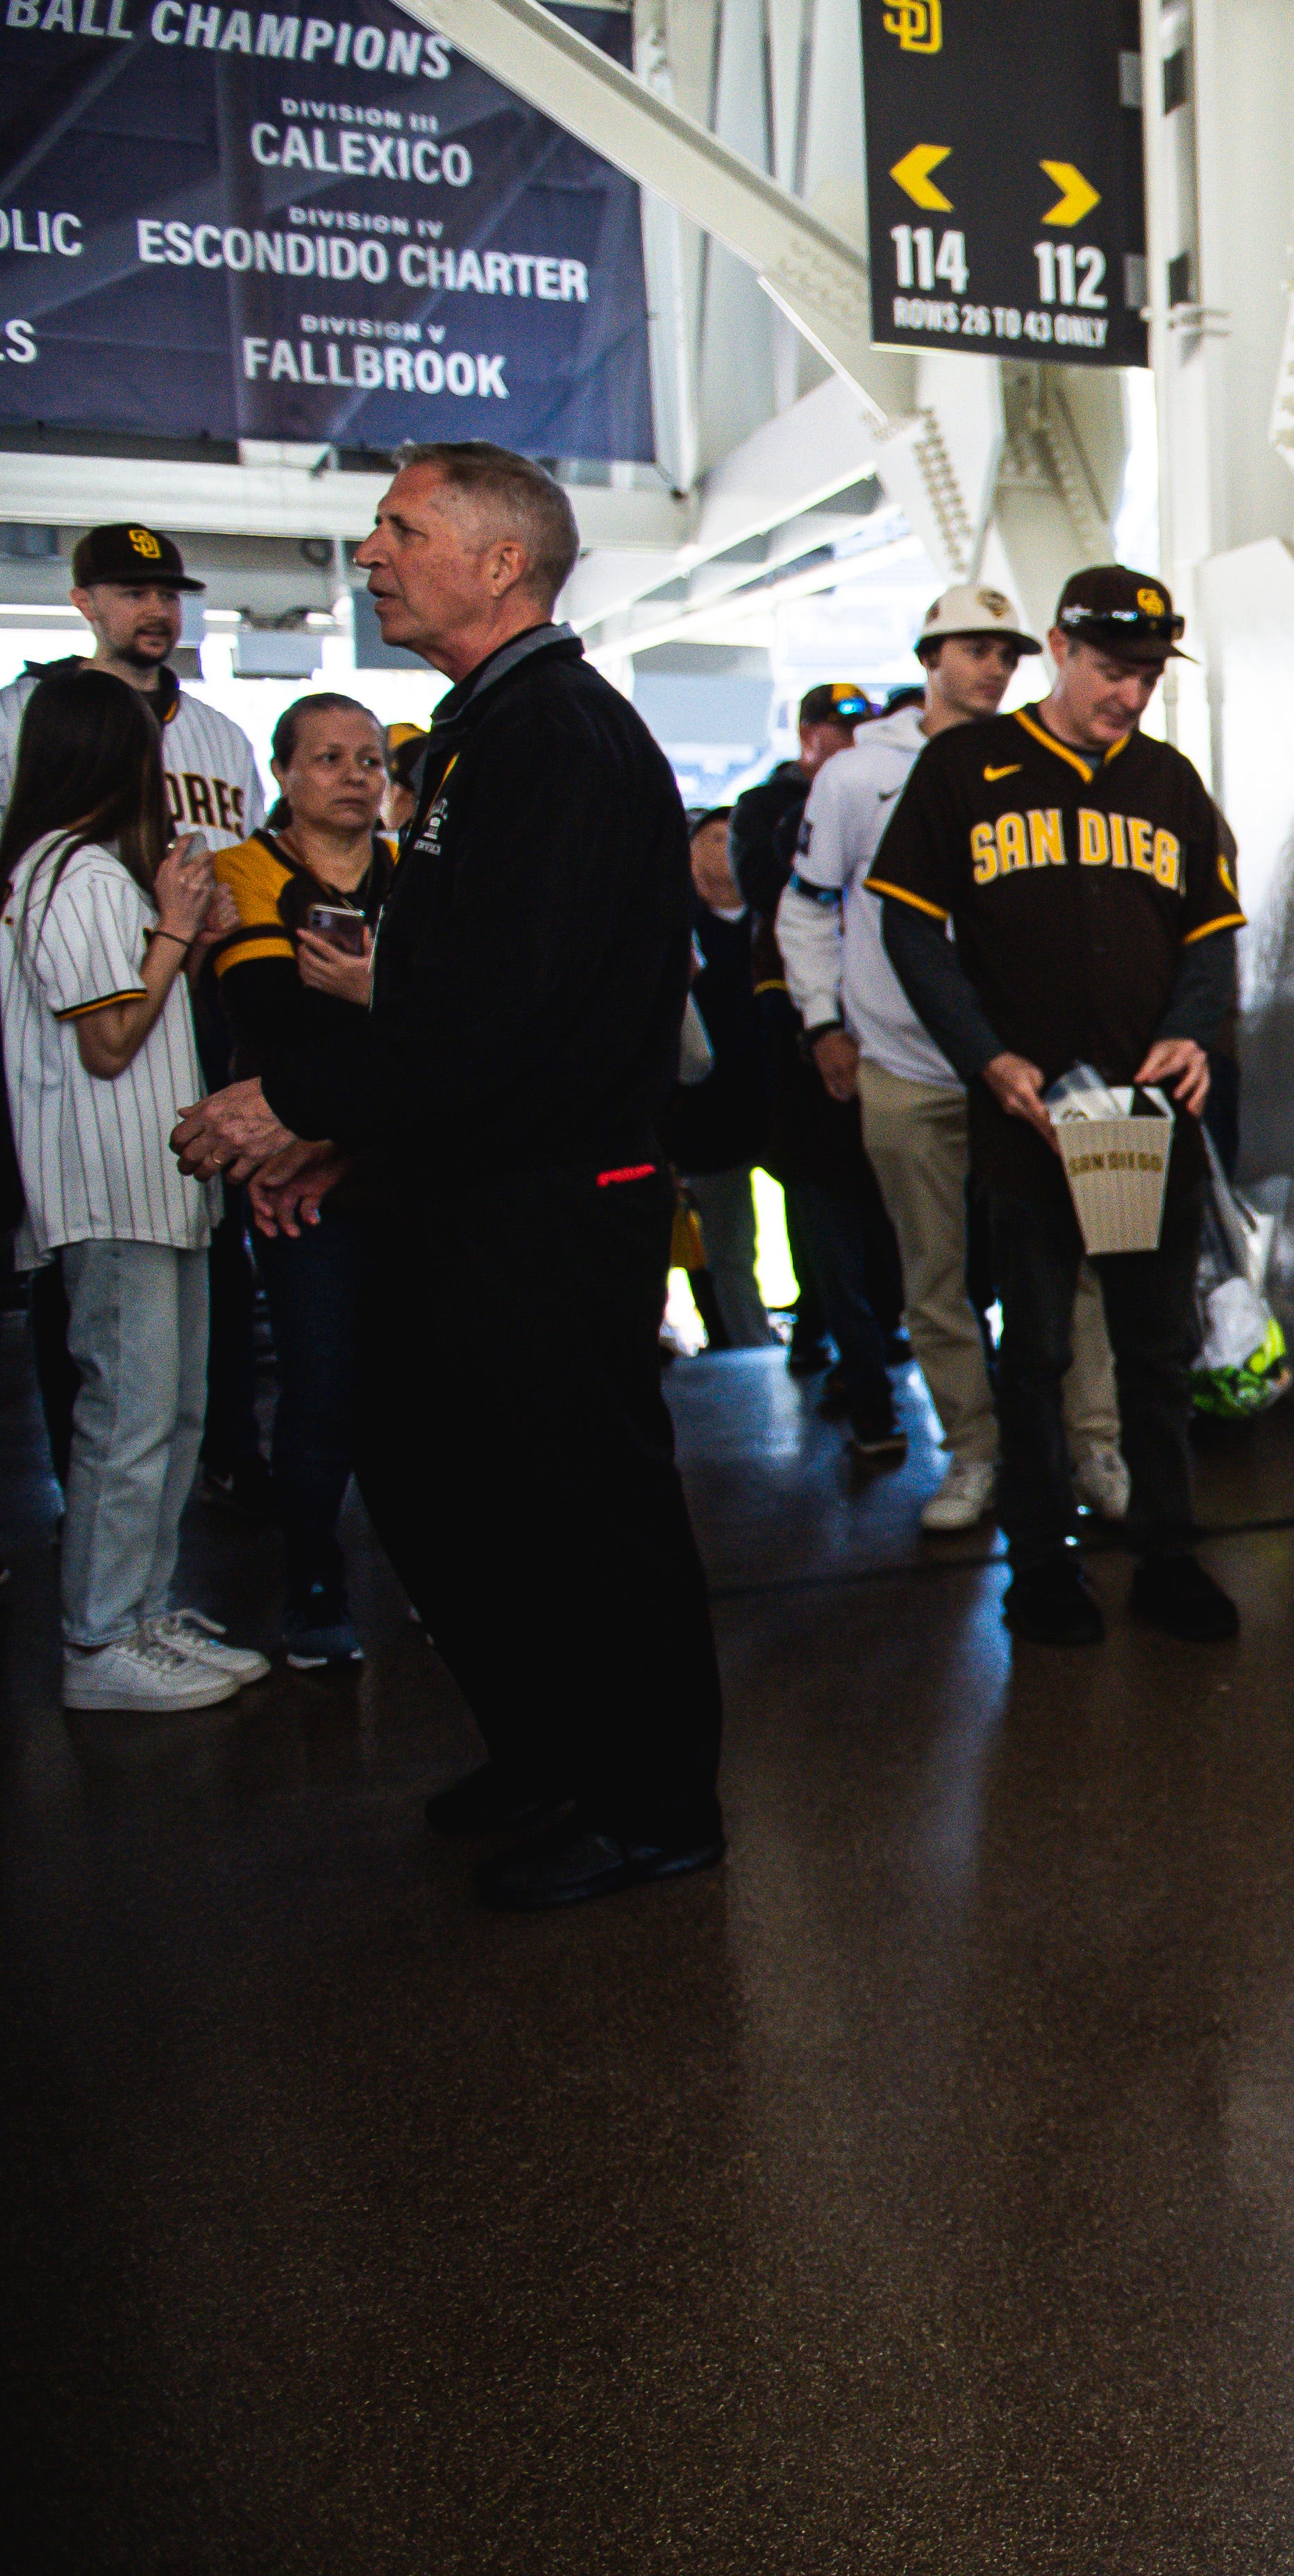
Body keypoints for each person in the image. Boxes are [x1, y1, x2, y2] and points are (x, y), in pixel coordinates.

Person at [174, 439, 728, 1911]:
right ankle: (553, 1749)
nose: (371, 554)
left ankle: (655, 1801)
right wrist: (335, 1119)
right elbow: (455, 995)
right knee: (447, 1479)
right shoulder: (487, 731)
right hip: (475, 1181)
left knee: (581, 1503)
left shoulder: (554, 736)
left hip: (555, 1191)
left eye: (401, 528)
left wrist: (295, 1100)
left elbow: (500, 1015)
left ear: (500, 561)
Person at [870, 565, 1243, 1646]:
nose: (1128, 696)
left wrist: (1194, 1026)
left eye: (1145, 678)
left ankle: (1168, 1557)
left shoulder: (1168, 783)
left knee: (1155, 1348)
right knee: (1030, 1350)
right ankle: (1039, 1569)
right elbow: (907, 928)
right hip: (1028, 1120)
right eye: (1112, 672)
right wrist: (985, 1058)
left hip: (1146, 1113)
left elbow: (1212, 932)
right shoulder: (965, 769)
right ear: (1061, 649)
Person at [781, 582, 1129, 1529]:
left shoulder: (1035, 764)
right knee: (933, 1277)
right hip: (908, 1066)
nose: (992, 669)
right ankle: (976, 1455)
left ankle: (1093, 1441)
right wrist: (824, 1023)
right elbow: (810, 909)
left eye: (1007, 654)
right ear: (929, 657)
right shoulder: (858, 777)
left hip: (1027, 1069)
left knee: (1078, 1261)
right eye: (972, 649)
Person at [1, 669, 264, 1711]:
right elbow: (110, 1044)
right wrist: (173, 926)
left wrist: (184, 944)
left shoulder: (98, 875)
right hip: (110, 1191)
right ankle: (99, 1639)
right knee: (130, 1421)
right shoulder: (67, 874)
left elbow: (137, 1018)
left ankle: (144, 1611)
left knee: (176, 1415)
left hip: (157, 1186)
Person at [0, 525, 267, 1500]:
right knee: (99, 1305)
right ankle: (93, 1518)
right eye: (130, 589)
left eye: (169, 592)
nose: (156, 609)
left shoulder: (219, 737)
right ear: (83, 602)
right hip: (71, 1005)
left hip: (191, 1003)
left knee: (207, 1253)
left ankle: (227, 1457)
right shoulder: (29, 712)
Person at [208, 691, 398, 1668]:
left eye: (369, 759)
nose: (356, 775)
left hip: (398, 1168)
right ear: (283, 773)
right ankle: (315, 1584)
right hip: (301, 1184)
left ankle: (434, 1572)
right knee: (322, 1386)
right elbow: (273, 1017)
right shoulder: (244, 872)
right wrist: (392, 1009)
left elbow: (451, 1032)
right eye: (328, 758)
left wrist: (379, 1007)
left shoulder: (417, 874)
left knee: (423, 1388)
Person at [731, 679, 903, 1407]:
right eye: (834, 732)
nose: (847, 746)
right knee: (822, 1220)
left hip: (886, 1046)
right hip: (806, 1051)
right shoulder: (768, 810)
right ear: (808, 738)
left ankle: (871, 1344)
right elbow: (783, 893)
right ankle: (852, 1366)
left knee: (883, 1219)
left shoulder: (882, 801)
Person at [668, 807, 775, 1352]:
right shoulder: (675, 929)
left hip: (778, 1107)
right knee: (729, 1246)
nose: (726, 847)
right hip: (707, 1118)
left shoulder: (773, 920)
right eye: (713, 837)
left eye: (734, 835)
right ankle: (748, 1345)